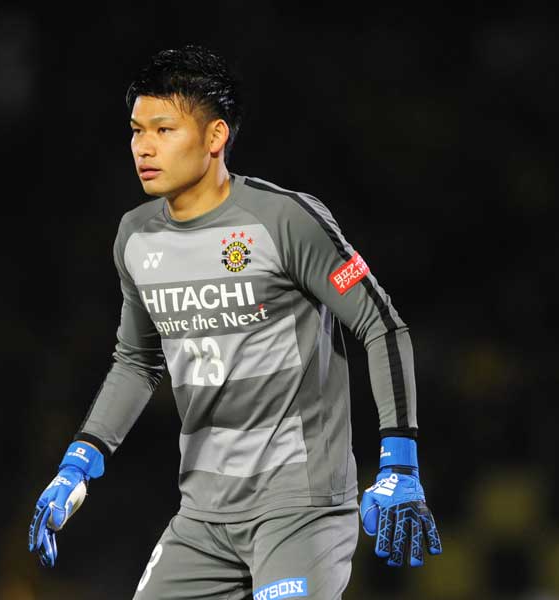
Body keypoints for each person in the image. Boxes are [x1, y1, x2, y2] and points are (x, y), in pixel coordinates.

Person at [28, 44, 442, 600]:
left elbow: (382, 325)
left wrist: (400, 462)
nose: (143, 147)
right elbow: (136, 361)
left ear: (216, 136)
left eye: (164, 130)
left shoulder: (285, 220)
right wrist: (77, 463)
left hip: (301, 510)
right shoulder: (136, 236)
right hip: (202, 519)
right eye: (135, 131)